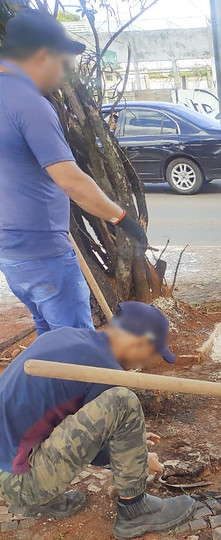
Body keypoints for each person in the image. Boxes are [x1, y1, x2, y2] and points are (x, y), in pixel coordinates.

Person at [0, 9, 149, 335]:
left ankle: (56, 384)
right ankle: (84, 386)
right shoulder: (29, 103)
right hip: (45, 254)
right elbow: (72, 182)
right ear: (43, 55)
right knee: (77, 345)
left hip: (10, 254)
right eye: (62, 60)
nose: (64, 70)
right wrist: (122, 219)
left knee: (52, 341)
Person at [0, 302, 196, 539]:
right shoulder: (105, 373)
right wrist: (139, 460)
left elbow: (69, 420)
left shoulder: (67, 336)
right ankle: (135, 510)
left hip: (7, 468)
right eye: (153, 354)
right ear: (141, 342)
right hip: (21, 483)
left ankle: (41, 500)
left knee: (102, 410)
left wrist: (129, 441)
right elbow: (95, 452)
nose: (148, 363)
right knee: (123, 402)